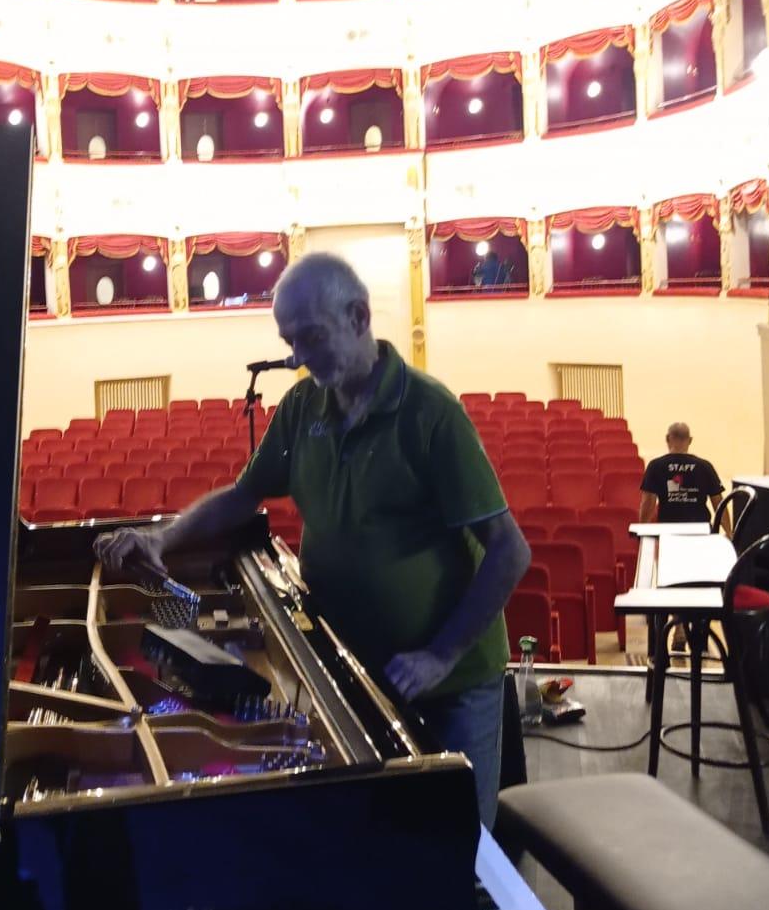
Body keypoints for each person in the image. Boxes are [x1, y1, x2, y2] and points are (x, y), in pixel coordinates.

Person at [95, 251, 530, 831]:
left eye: (311, 338)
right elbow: (242, 496)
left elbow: (509, 550)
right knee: (382, 840)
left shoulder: (431, 413)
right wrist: (164, 538)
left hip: (452, 684)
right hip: (355, 670)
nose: (297, 357)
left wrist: (440, 655)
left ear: (358, 317)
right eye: (289, 341)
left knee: (458, 843)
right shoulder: (303, 407)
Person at [639, 421, 724, 526]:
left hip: (668, 529)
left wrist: (642, 530)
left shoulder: (655, 466)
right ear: (690, 440)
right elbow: (719, 504)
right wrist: (729, 532)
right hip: (700, 529)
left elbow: (648, 503)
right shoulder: (705, 466)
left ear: (667, 438)